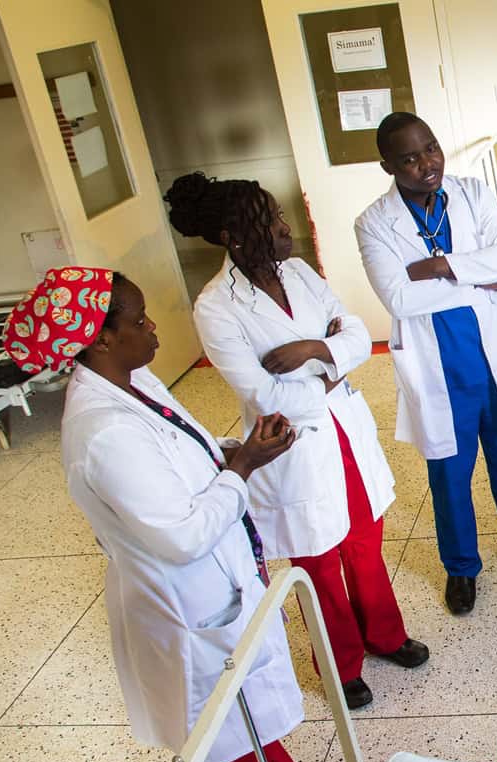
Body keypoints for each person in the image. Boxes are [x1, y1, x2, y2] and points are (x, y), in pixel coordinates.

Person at [13, 268, 342, 762]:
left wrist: (233, 450)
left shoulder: (134, 383)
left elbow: (180, 452)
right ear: (102, 337)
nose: (152, 326)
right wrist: (243, 470)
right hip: (186, 600)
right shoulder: (104, 430)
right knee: (225, 735)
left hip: (216, 578)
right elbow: (182, 535)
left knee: (246, 705)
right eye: (138, 320)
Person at [168, 172, 428, 713]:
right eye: (274, 219)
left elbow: (357, 332)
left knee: (364, 544)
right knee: (318, 563)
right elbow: (261, 391)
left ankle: (385, 634)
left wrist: (315, 348)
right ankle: (341, 665)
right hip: (294, 446)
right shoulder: (215, 306)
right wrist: (328, 367)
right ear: (236, 236)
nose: (287, 228)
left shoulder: (300, 272)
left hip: (344, 432)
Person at [355, 112, 497, 616]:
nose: (427, 164)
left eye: (431, 148)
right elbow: (399, 297)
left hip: (492, 355)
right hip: (437, 363)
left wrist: (439, 266)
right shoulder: (373, 223)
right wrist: (474, 274)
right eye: (409, 158)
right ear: (388, 166)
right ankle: (461, 567)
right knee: (449, 473)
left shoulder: (473, 194)